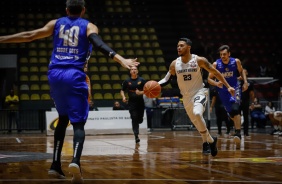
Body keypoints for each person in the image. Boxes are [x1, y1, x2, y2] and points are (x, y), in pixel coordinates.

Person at [0, 0, 139, 182]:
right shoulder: (89, 26)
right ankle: (75, 161)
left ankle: (55, 165)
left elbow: (30, 35)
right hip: (74, 74)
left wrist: (2, 39)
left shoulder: (55, 23)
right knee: (79, 124)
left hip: (55, 74)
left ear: (66, 10)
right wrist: (121, 59)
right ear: (83, 10)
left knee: (63, 118)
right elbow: (97, 43)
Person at [158, 38, 235, 157]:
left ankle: (207, 143)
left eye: (181, 45)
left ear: (189, 47)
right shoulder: (174, 63)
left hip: (199, 92)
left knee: (198, 113)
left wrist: (228, 86)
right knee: (197, 122)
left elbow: (215, 72)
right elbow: (166, 79)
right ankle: (211, 141)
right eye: (178, 46)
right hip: (186, 97)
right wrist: (154, 85)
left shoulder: (199, 60)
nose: (178, 48)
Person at [208, 45, 248, 148]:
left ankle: (238, 133)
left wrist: (245, 82)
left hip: (235, 88)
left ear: (229, 54)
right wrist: (216, 84)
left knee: (235, 109)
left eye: (224, 54)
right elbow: (209, 79)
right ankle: (237, 127)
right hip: (223, 91)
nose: (222, 56)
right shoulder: (216, 64)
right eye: (221, 54)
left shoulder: (236, 62)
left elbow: (241, 71)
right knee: (231, 114)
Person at [120, 66, 146, 144]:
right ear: (130, 71)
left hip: (140, 102)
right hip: (132, 103)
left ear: (137, 71)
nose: (133, 70)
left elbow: (147, 90)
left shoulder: (142, 80)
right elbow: (122, 90)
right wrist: (124, 97)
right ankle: (136, 135)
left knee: (140, 120)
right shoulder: (127, 81)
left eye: (135, 69)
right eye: (132, 69)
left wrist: (140, 92)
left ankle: (139, 121)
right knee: (134, 118)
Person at [239, 68, 255, 137]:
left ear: (247, 73)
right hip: (238, 102)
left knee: (246, 117)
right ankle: (237, 132)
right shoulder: (237, 81)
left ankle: (246, 132)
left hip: (246, 102)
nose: (243, 74)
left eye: (244, 72)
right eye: (242, 73)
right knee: (237, 117)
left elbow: (252, 94)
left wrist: (252, 103)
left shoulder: (250, 83)